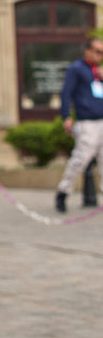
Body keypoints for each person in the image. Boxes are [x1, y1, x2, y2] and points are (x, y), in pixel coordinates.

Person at [55, 36, 103, 212]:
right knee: (80, 160)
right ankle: (63, 192)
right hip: (87, 122)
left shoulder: (99, 71)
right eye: (98, 51)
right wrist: (66, 116)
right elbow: (66, 93)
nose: (100, 55)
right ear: (88, 51)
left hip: (102, 120)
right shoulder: (77, 69)